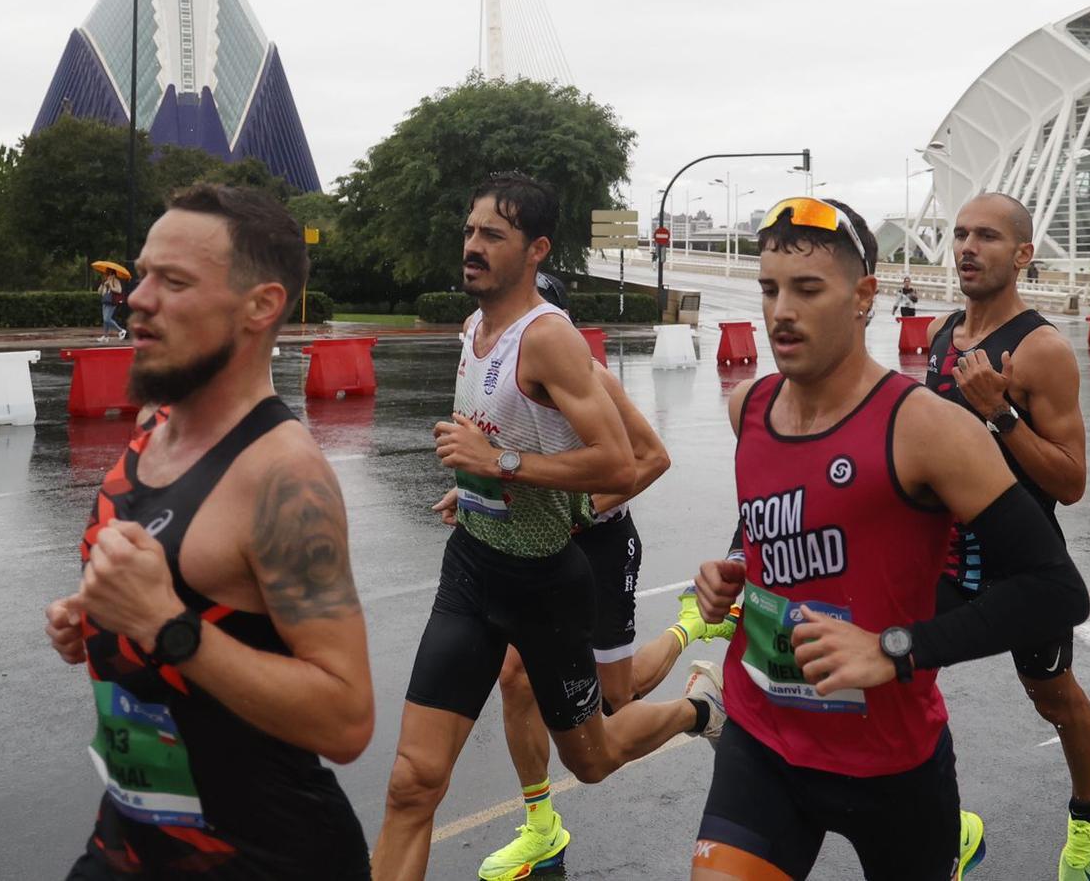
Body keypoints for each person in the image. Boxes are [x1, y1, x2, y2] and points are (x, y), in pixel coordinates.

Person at [690, 197, 1090, 880]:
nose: (782, 311)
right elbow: (774, 512)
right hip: (763, 741)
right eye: (770, 289)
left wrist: (892, 648)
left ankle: (1074, 812)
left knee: (1051, 693)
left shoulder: (929, 427)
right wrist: (733, 566)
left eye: (807, 289)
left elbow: (1057, 591)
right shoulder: (747, 407)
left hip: (890, 764)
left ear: (862, 296)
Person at [373, 174, 719, 881]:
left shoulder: (550, 340)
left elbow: (620, 462)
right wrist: (474, 488)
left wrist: (498, 464)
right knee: (413, 782)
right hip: (472, 571)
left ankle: (700, 709)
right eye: (470, 231)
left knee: (592, 759)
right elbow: (501, 438)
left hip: (545, 586)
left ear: (536, 250)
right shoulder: (474, 329)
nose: (472, 246)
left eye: (492, 236)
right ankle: (539, 826)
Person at [46, 184, 374, 878]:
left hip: (267, 859)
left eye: (174, 282)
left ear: (261, 306)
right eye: (143, 275)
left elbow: (346, 720)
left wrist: (166, 626)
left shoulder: (283, 476)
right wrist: (98, 613)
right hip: (129, 841)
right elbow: (186, 583)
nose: (137, 299)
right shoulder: (155, 425)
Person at [465, 270, 710, 880]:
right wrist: (471, 496)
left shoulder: (592, 377)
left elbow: (653, 458)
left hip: (600, 544)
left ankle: (693, 635)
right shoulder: (498, 368)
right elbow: (502, 462)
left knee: (615, 700)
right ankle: (541, 826)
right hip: (546, 551)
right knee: (516, 678)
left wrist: (579, 513)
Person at [929, 194, 1090, 881]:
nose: (968, 248)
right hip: (945, 555)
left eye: (987, 236)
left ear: (1023, 254)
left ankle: (1087, 815)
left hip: (1021, 559)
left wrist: (1000, 413)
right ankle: (949, 827)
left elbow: (1071, 481)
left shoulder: (1042, 350)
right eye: (960, 234)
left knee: (1053, 697)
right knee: (896, 677)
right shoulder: (942, 332)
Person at [99, 273, 127, 341]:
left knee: (107, 319)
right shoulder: (105, 282)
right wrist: (102, 285)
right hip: (105, 301)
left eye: (109, 274)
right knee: (105, 321)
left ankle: (121, 330)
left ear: (113, 275)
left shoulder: (116, 281)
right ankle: (106, 336)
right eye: (106, 274)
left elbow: (119, 290)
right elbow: (100, 292)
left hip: (112, 302)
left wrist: (110, 285)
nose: (107, 276)